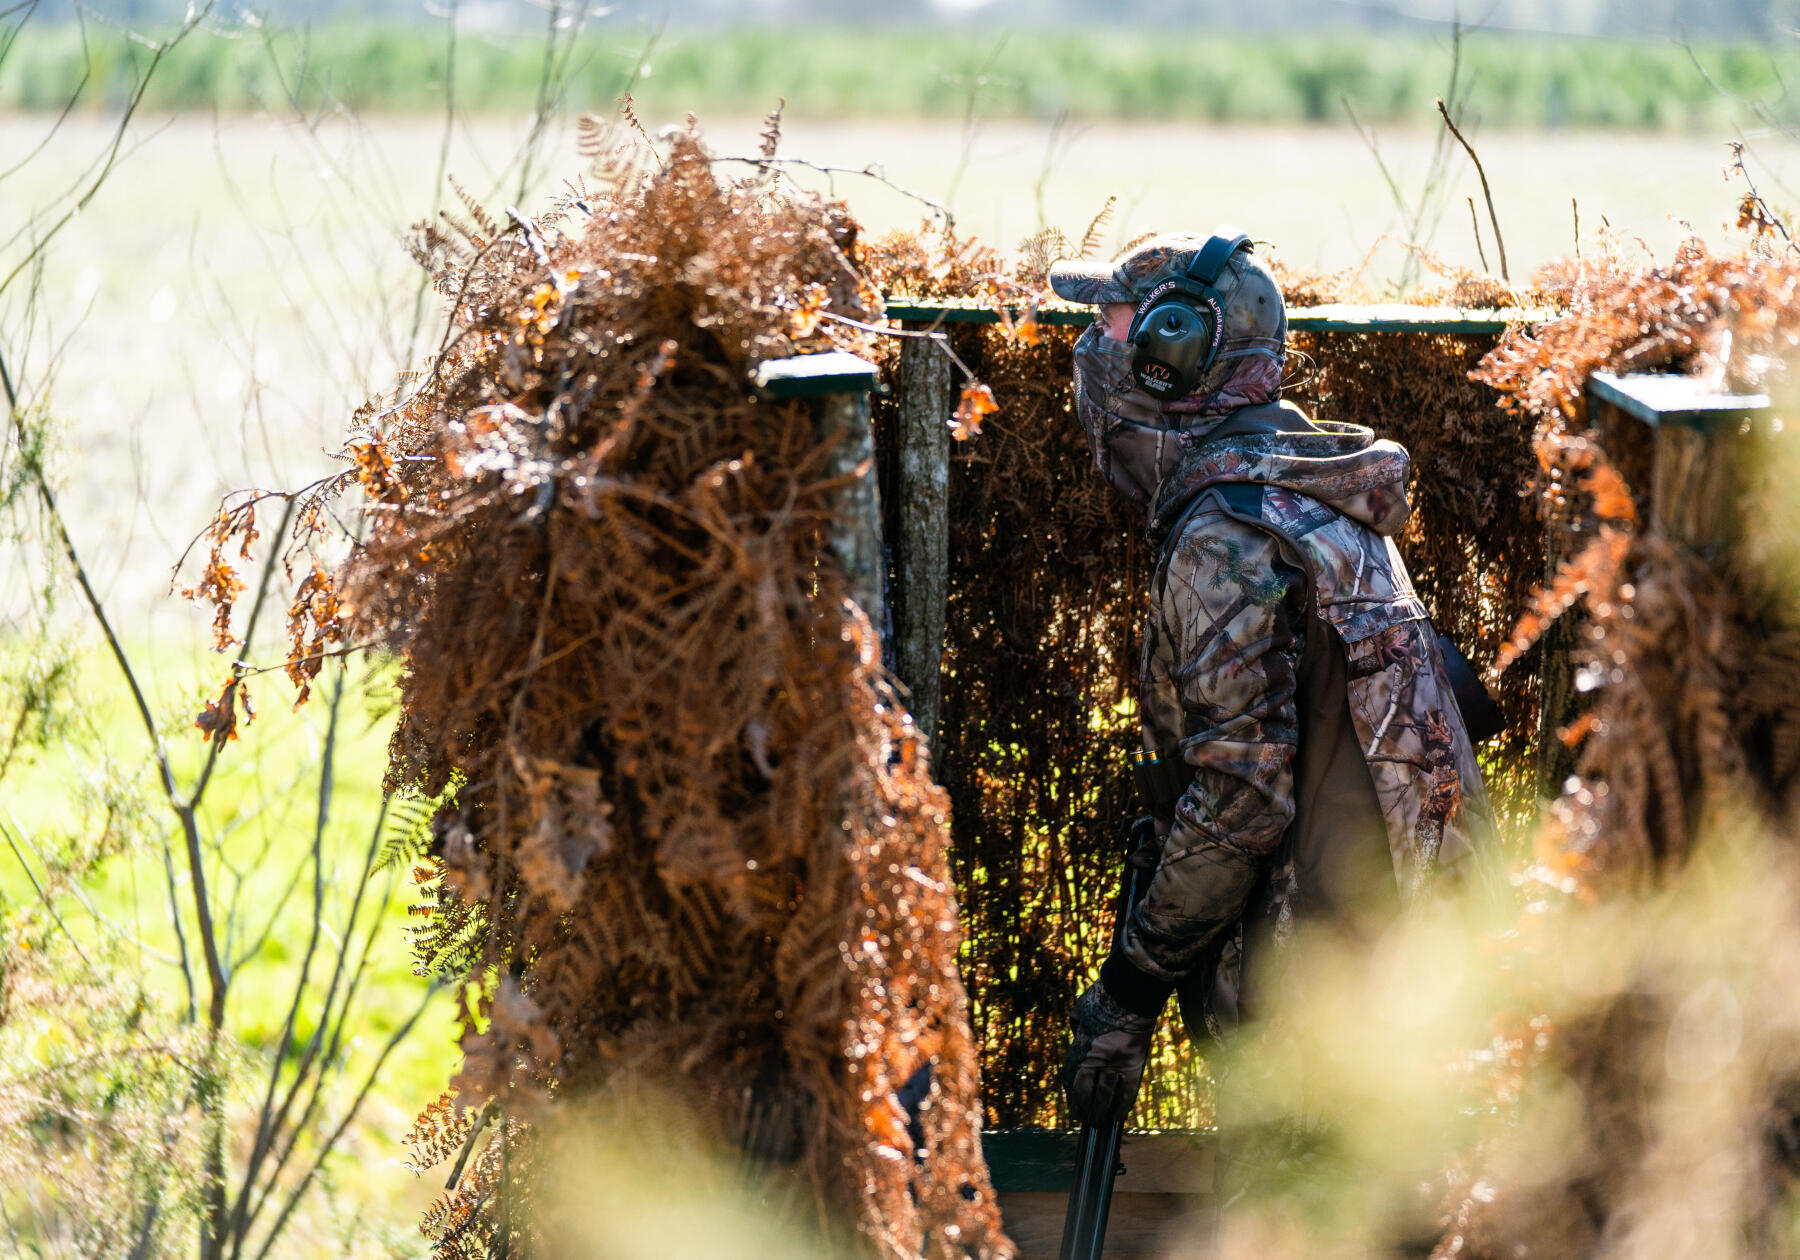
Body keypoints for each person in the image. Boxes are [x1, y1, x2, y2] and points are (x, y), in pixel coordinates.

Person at [1047, 230, 1500, 1127]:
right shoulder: (1301, 490)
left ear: (1174, 353)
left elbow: (1242, 804)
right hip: (1410, 970)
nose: (1094, 346)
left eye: (1112, 323)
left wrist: (1130, 993)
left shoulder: (1228, 537)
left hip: (1328, 1002)